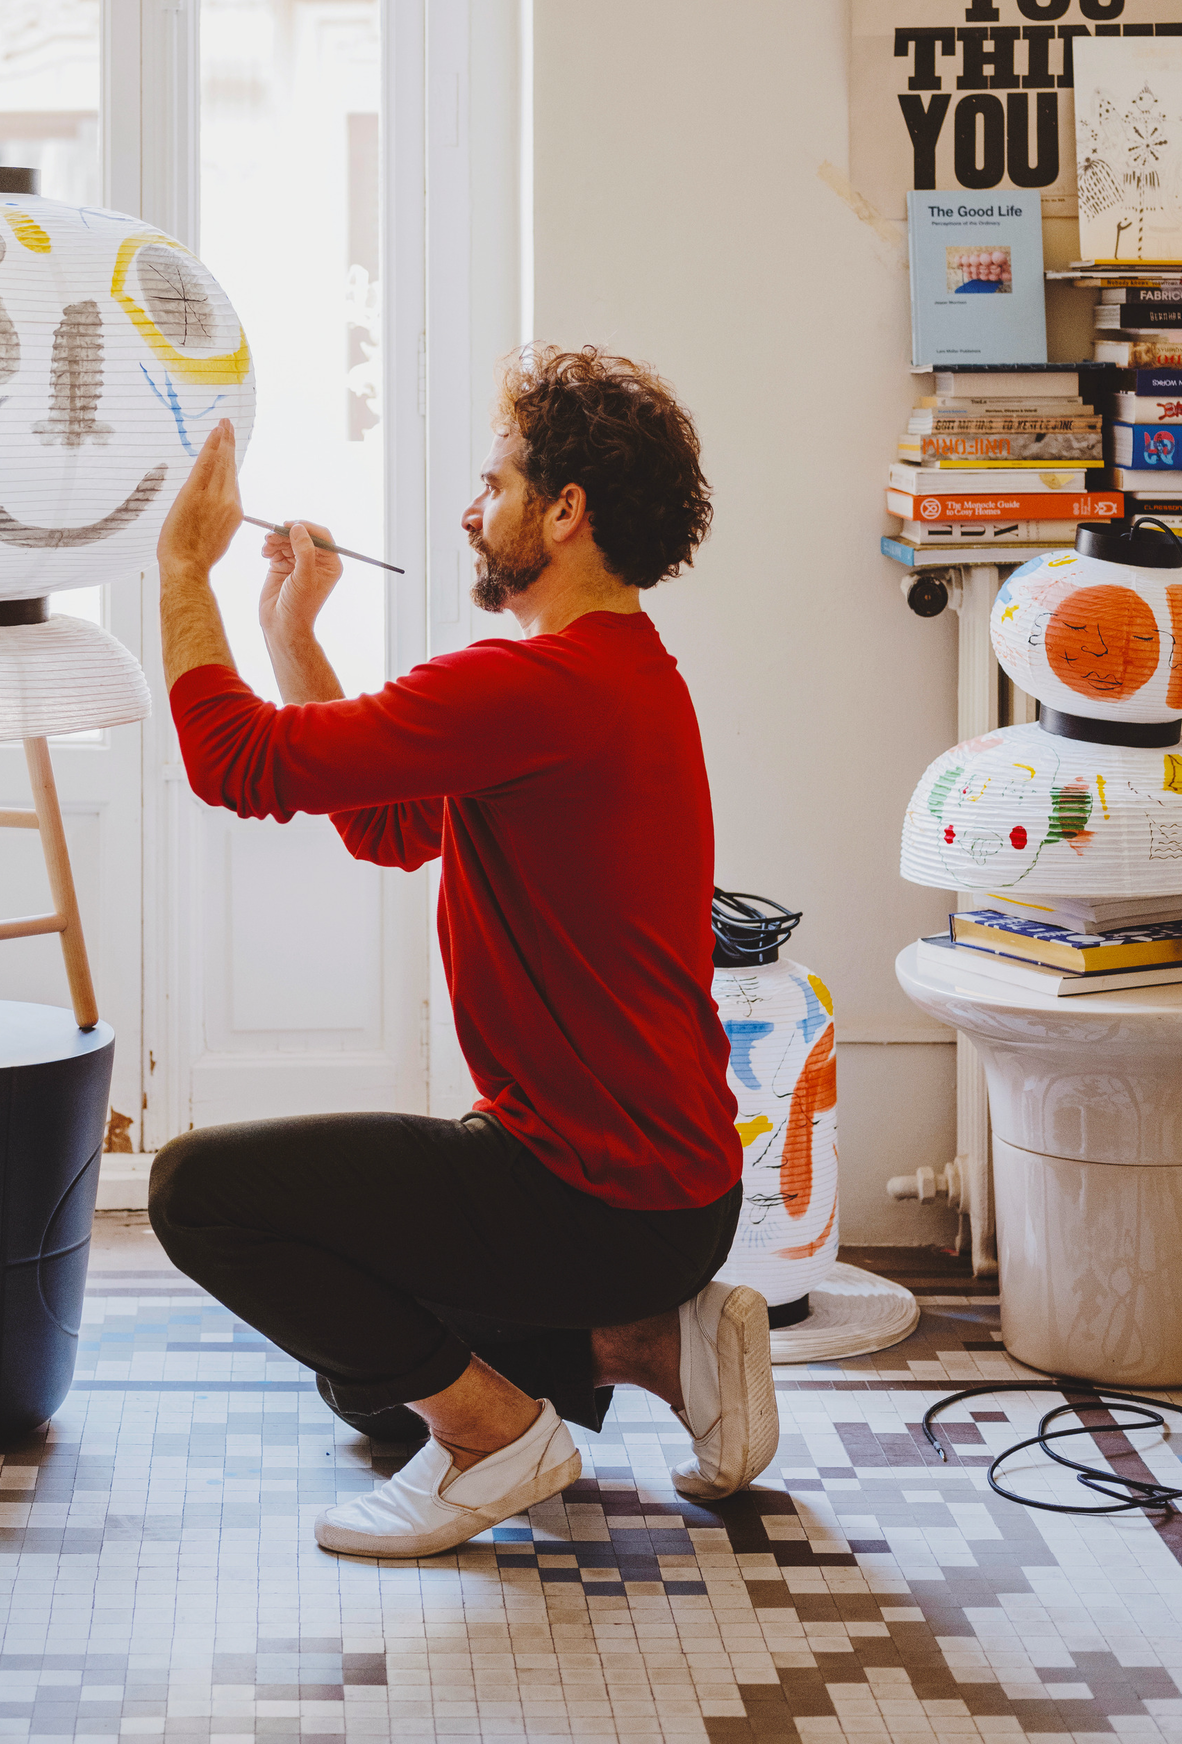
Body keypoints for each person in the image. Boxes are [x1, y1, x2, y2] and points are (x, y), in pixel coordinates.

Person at [147, 345, 775, 1560]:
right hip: (669, 1197)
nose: (468, 509)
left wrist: (184, 568)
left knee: (195, 1193)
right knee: (367, 1387)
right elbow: (391, 829)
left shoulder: (529, 687)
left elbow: (234, 762)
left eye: (490, 482)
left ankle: (500, 1438)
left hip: (591, 1197)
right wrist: (289, 627)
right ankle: (649, 1341)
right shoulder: (621, 677)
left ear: (563, 510)